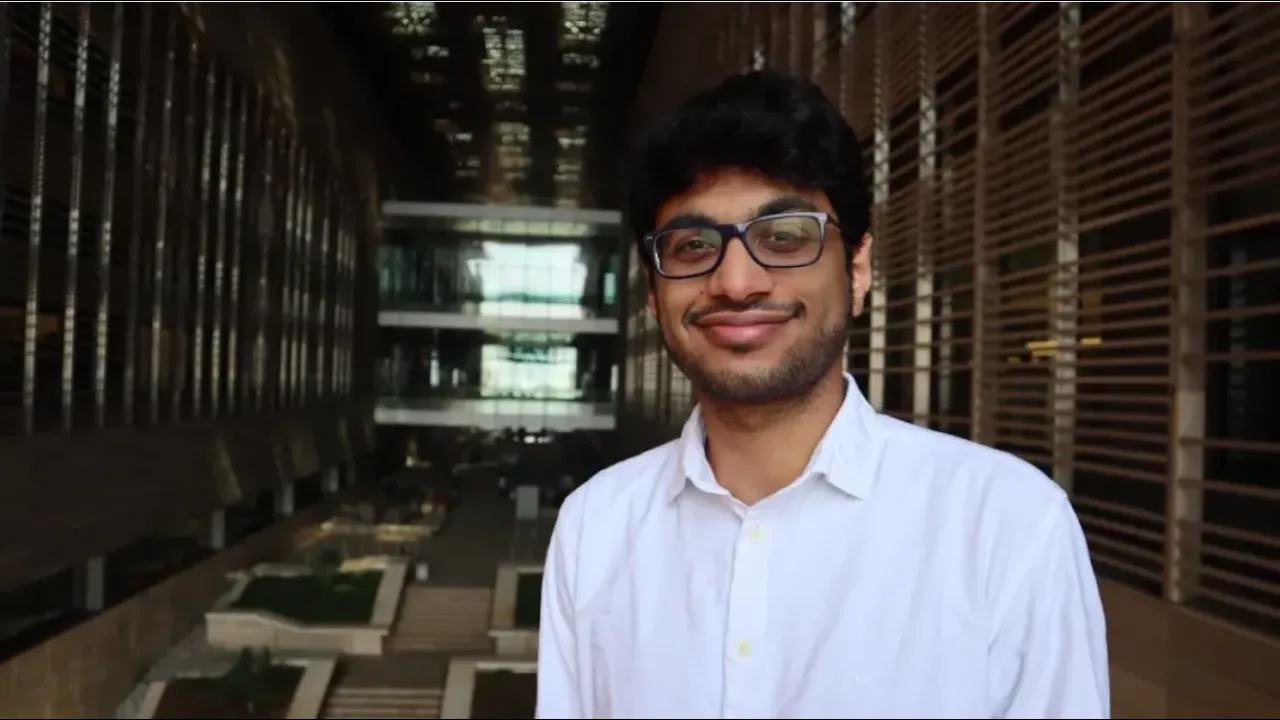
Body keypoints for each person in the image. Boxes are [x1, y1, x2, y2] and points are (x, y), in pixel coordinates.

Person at [536, 71, 1109, 719]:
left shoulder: (1005, 525)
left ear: (857, 270)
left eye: (784, 237)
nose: (736, 282)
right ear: (652, 292)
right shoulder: (596, 527)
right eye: (692, 246)